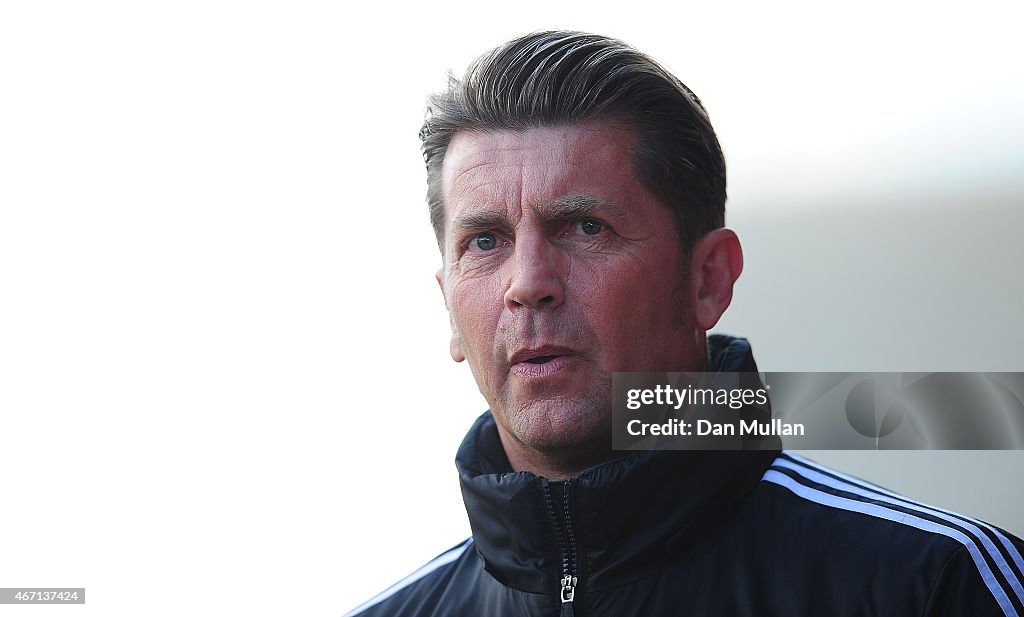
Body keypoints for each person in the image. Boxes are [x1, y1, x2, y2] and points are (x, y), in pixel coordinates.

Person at [344, 31, 1024, 616]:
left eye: (585, 226)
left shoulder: (938, 584)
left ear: (709, 279)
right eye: (485, 241)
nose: (528, 283)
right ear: (449, 308)